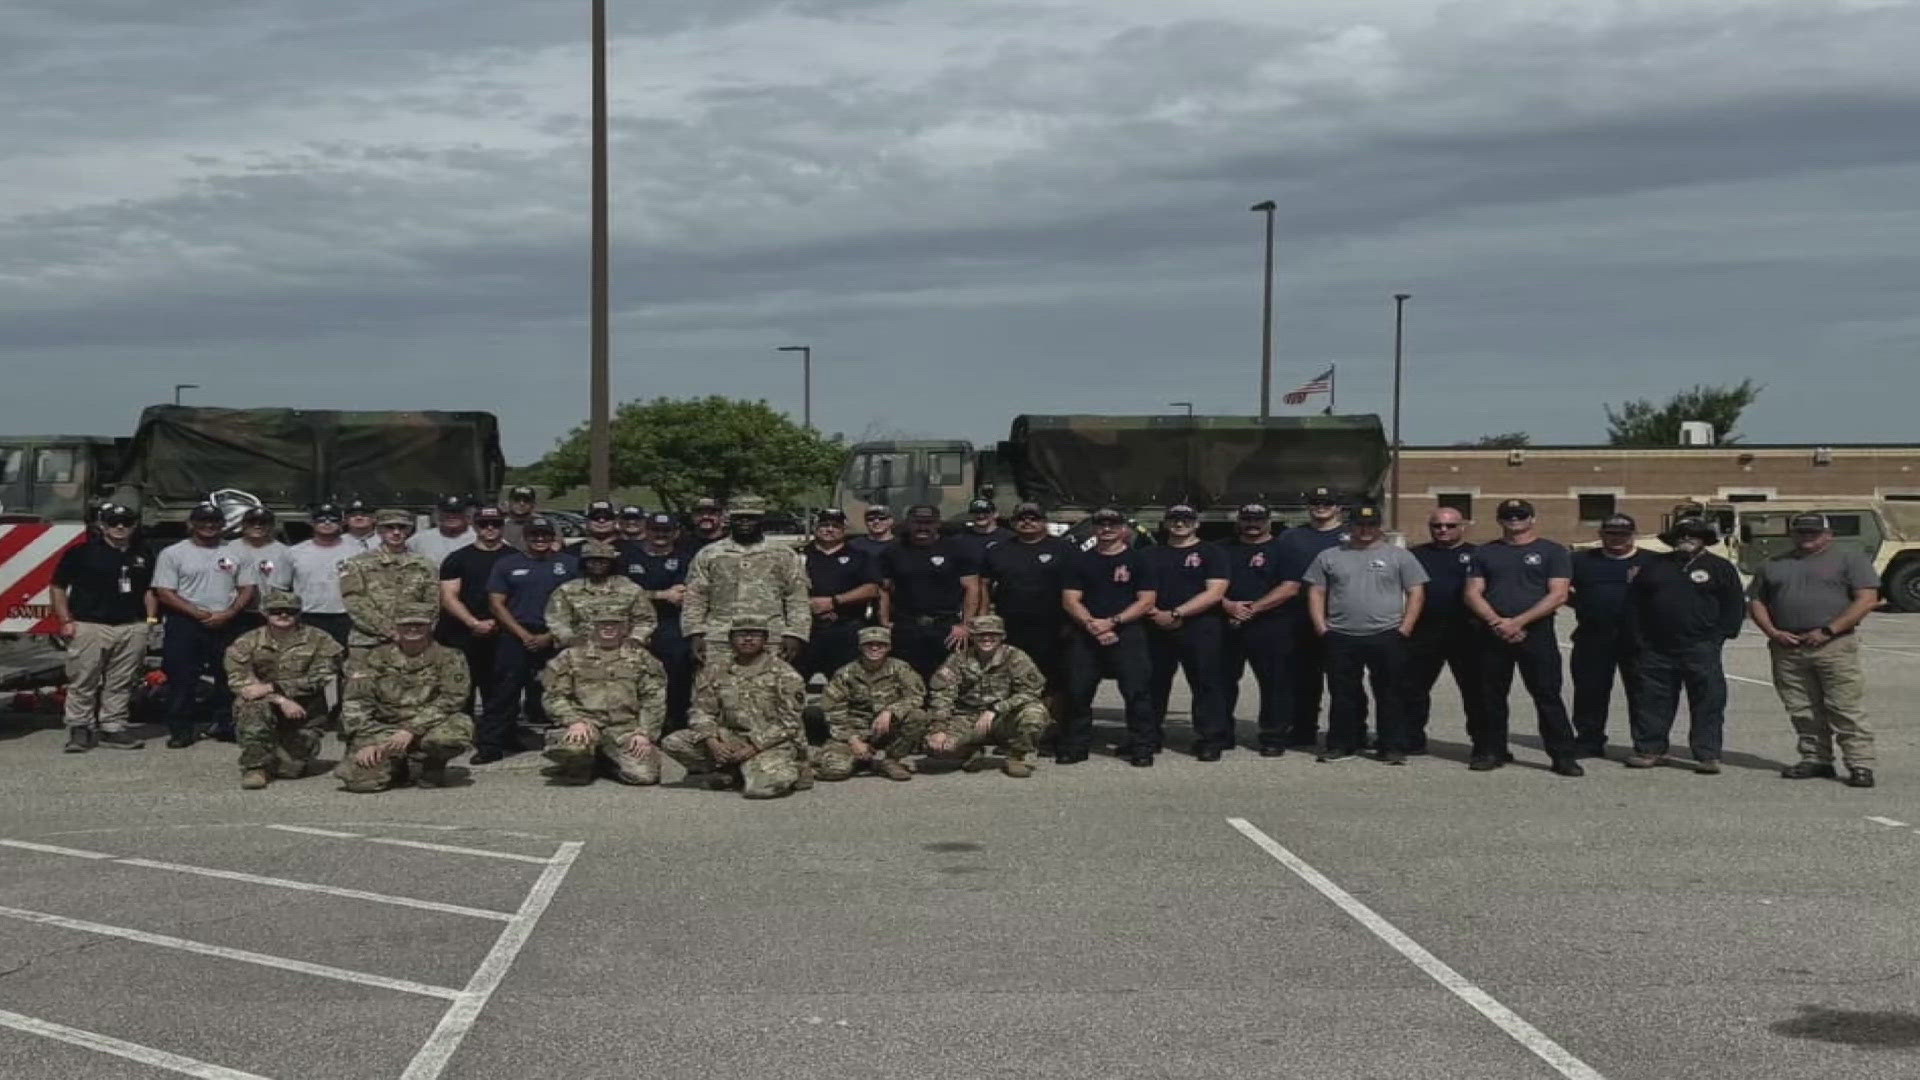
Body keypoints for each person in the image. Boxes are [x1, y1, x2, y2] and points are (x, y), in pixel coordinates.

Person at [1747, 513, 1881, 787]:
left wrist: (1829, 630)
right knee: (1802, 708)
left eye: (1814, 532)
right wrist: (1773, 632)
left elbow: (1867, 599)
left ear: (1828, 534)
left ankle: (1860, 764)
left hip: (1834, 645)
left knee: (1845, 707)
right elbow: (1757, 600)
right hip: (1788, 647)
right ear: (1792, 534)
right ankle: (1816, 758)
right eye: (1801, 532)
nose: (1807, 537)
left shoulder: (1850, 559)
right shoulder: (1773, 564)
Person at [1463, 498, 1582, 777]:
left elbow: (1559, 594)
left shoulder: (1552, 551)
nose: (1514, 520)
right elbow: (1472, 592)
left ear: (1532, 518)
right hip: (1493, 631)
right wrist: (1497, 622)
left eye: (1520, 515)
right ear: (1499, 519)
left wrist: (1518, 622)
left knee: (1547, 695)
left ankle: (1563, 756)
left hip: (1536, 631)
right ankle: (1493, 750)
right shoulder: (1485, 552)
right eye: (1508, 515)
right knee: (1490, 695)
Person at [1304, 504, 1427, 764]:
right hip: (1341, 634)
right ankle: (1341, 744)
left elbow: (1416, 592)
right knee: (1342, 693)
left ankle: (1391, 746)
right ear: (1350, 526)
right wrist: (1321, 627)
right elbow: (1316, 592)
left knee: (1390, 693)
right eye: (1360, 524)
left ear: (1379, 526)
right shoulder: (1330, 555)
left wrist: (1405, 627)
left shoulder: (1399, 556)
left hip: (1387, 633)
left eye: (1371, 525)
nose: (1365, 530)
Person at [1626, 518, 1744, 773]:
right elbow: (1635, 605)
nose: (1686, 538)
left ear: (1704, 538)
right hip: (1656, 649)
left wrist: (1720, 637)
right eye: (1681, 535)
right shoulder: (1654, 566)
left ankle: (1707, 754)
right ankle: (1650, 749)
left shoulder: (1720, 567)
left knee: (1708, 701)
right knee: (1651, 700)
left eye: (1693, 534)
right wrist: (1640, 639)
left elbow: (1734, 605)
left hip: (1701, 647)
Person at [660, 618, 809, 798]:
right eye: (741, 634)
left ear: (765, 639)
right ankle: (735, 772)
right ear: (731, 639)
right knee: (674, 742)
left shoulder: (785, 674)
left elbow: (790, 723)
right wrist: (712, 741)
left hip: (770, 743)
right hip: (730, 738)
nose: (748, 639)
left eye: (754, 634)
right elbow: (701, 711)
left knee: (760, 789)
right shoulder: (714, 670)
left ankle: (787, 770)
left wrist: (753, 747)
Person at [333, 602, 473, 793]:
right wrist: (368, 742)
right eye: (406, 624)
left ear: (431, 626)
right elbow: (356, 702)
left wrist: (411, 729)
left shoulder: (450, 656)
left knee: (451, 735)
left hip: (430, 726)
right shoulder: (374, 658)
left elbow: (453, 698)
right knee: (361, 783)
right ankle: (396, 766)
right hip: (384, 728)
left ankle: (432, 764)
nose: (413, 628)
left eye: (419, 624)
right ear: (395, 627)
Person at [152, 502, 258, 748]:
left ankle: (226, 724)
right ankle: (181, 729)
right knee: (182, 677)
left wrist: (230, 612)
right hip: (185, 622)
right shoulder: (173, 553)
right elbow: (164, 592)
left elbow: (247, 588)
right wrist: (198, 613)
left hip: (227, 621)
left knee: (228, 676)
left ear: (222, 525)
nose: (209, 526)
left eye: (214, 521)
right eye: (202, 521)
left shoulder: (237, 552)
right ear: (191, 524)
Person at [49, 502, 154, 752]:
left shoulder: (143, 554)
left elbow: (150, 590)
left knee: (121, 681)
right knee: (83, 679)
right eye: (112, 522)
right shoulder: (81, 552)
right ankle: (79, 728)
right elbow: (58, 587)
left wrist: (149, 621)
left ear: (134, 525)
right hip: (89, 625)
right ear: (101, 525)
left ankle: (113, 727)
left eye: (126, 522)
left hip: (131, 625)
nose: (119, 527)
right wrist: (65, 621)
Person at [1060, 507, 1158, 765]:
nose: (1107, 529)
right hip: (1085, 633)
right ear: (1094, 528)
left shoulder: (1139, 560)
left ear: (1124, 529)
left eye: (1113, 524)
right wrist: (1093, 625)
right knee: (1078, 692)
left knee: (1137, 693)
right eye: (1101, 524)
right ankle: (1076, 746)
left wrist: (1112, 622)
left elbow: (1146, 600)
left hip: (1127, 633)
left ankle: (1141, 748)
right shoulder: (1079, 560)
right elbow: (1070, 600)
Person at [478, 516, 578, 763]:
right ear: (525, 537)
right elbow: (496, 603)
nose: (540, 539)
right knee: (505, 691)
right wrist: (523, 635)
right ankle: (492, 745)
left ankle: (570, 745)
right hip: (516, 634)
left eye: (545, 535)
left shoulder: (570, 565)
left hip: (555, 634)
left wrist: (549, 636)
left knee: (563, 689)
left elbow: (578, 603)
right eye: (535, 535)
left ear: (553, 537)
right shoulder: (507, 563)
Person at [224, 589, 343, 789]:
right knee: (252, 706)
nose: (283, 615)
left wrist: (273, 686)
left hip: (304, 712)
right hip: (265, 705)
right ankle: (255, 768)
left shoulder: (320, 639)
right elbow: (240, 682)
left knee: (290, 770)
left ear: (299, 613)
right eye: (276, 611)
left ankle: (278, 752)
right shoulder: (247, 642)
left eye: (290, 611)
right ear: (264, 612)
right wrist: (280, 699)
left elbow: (323, 675)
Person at [541, 603, 670, 786]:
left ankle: (607, 760)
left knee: (644, 777)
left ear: (624, 628)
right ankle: (583, 761)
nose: (608, 628)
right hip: (586, 725)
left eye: (615, 624)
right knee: (574, 756)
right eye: (603, 624)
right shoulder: (570, 656)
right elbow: (553, 695)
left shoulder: (642, 659)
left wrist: (644, 734)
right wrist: (573, 721)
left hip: (624, 728)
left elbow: (654, 700)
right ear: (593, 627)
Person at [1143, 504, 1231, 760]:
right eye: (1174, 519)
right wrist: (1156, 614)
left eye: (1185, 519)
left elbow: (1215, 592)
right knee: (1152, 685)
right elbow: (1139, 591)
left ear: (1196, 524)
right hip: (1155, 624)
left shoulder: (1212, 552)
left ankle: (1210, 739)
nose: (1179, 524)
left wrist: (1177, 613)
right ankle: (1148, 737)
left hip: (1201, 626)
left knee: (1206, 684)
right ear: (1165, 523)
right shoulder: (1149, 554)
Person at [682, 494, 810, 664]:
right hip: (720, 638)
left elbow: (797, 596)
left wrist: (795, 634)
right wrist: (695, 632)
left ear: (762, 520)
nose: (744, 522)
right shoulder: (709, 554)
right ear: (729, 520)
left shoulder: (783, 554)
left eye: (751, 518)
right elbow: (696, 596)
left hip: (770, 638)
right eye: (739, 518)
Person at [1220, 503, 1305, 756]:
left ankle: (1273, 737)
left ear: (1268, 521)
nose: (1252, 524)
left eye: (1258, 519)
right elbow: (1209, 584)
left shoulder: (1284, 549)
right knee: (1220, 682)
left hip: (1271, 624)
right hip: (1228, 622)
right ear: (1238, 521)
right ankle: (1220, 733)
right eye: (1246, 519)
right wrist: (1228, 606)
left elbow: (1290, 587)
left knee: (1275, 684)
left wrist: (1252, 609)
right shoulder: (1222, 549)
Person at [1567, 514, 1655, 758]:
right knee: (1589, 691)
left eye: (1623, 534)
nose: (1617, 539)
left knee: (1643, 694)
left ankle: (1646, 743)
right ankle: (1589, 740)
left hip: (1640, 640)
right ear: (1601, 534)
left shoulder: (1653, 561)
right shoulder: (1580, 560)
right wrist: (1584, 606)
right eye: (1611, 533)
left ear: (1633, 535)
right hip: (1592, 637)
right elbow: (1561, 590)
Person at [1404, 507, 1488, 755]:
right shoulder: (1415, 555)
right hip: (1424, 631)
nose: (1443, 530)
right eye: (1437, 525)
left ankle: (1485, 745)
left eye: (1450, 526)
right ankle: (1410, 739)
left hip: (1468, 632)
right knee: (1412, 689)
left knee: (1477, 691)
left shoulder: (1478, 554)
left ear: (1462, 526)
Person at [980, 502, 1075, 720]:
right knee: (1012, 676)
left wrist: (1072, 623)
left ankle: (1053, 726)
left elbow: (1077, 588)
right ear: (1013, 522)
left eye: (1034, 518)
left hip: (1053, 625)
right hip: (1011, 625)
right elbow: (984, 585)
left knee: (1054, 678)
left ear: (1044, 522)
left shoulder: (1064, 549)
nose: (1028, 522)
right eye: (1022, 518)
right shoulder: (998, 550)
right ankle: (1013, 724)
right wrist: (985, 619)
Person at [923, 614, 1046, 777]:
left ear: (1002, 636)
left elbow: (1032, 691)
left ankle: (1017, 756)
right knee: (934, 746)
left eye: (993, 634)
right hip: (966, 716)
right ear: (973, 636)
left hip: (1003, 717)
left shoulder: (1016, 657)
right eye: (981, 634)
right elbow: (942, 695)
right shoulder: (958, 659)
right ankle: (969, 752)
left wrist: (996, 709)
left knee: (1034, 714)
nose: (987, 638)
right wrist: (939, 728)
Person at [1274, 486, 1350, 747]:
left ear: (1338, 507)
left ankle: (1350, 732)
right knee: (1302, 679)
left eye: (1327, 502)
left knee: (1343, 680)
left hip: (1341, 617)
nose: (1321, 507)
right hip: (1298, 616)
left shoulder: (1351, 536)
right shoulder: (1290, 537)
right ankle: (1303, 730)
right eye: (1316, 502)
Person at [879, 505, 982, 678]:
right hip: (906, 625)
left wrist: (966, 624)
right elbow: (883, 589)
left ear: (937, 524)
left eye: (928, 523)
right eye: (917, 522)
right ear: (908, 524)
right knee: (906, 677)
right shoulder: (893, 551)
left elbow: (972, 587)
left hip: (946, 626)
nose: (922, 527)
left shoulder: (957, 549)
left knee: (947, 677)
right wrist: (884, 621)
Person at [814, 626, 926, 782]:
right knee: (834, 770)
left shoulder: (901, 669)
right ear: (860, 647)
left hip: (886, 729)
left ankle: (891, 760)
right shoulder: (845, 674)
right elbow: (832, 712)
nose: (875, 648)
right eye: (869, 644)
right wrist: (853, 740)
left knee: (918, 716)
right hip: (855, 729)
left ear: (889, 647)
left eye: (881, 644)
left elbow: (916, 696)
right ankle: (863, 760)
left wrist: (891, 711)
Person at [795, 508, 880, 699]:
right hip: (807, 631)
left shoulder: (860, 556)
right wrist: (809, 604)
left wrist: (834, 601)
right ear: (816, 528)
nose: (829, 530)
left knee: (847, 690)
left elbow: (872, 589)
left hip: (845, 630)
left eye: (835, 526)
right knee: (794, 688)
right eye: (825, 525)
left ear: (844, 529)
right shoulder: (799, 556)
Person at [436, 506, 515, 712]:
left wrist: (499, 623)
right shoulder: (457, 558)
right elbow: (448, 596)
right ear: (474, 525)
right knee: (461, 690)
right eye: (483, 524)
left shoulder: (515, 558)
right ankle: (462, 734)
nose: (490, 528)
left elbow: (519, 597)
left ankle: (498, 737)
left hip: (502, 633)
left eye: (496, 523)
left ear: (502, 526)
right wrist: (474, 623)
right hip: (462, 633)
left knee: (499, 690)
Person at [338, 509, 440, 664]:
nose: (396, 532)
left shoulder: (425, 565)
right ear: (379, 530)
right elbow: (355, 602)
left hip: (413, 641)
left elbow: (432, 603)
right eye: (389, 528)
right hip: (369, 642)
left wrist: (413, 632)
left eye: (402, 528)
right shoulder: (356, 564)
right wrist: (390, 631)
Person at [623, 511, 695, 731]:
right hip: (633, 625)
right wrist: (660, 595)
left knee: (676, 675)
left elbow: (682, 595)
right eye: (655, 530)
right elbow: (622, 594)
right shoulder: (628, 558)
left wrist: (646, 594)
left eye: (666, 531)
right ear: (646, 530)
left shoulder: (685, 559)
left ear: (675, 533)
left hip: (671, 625)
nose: (660, 535)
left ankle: (675, 724)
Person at [545, 539, 654, 649]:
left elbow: (645, 619)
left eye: (603, 561)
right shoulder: (567, 590)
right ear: (584, 563)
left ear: (611, 564)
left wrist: (635, 639)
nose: (598, 565)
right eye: (592, 561)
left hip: (624, 648)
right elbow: (557, 620)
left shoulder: (630, 588)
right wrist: (570, 640)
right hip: (580, 649)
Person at [284, 502, 356, 646]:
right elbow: (281, 587)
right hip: (307, 616)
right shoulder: (294, 552)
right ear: (311, 523)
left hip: (346, 617)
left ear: (342, 522)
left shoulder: (357, 551)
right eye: (321, 519)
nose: (327, 523)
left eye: (333, 519)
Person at [231, 506, 292, 634]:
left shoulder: (284, 552)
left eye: (263, 523)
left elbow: (281, 588)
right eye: (252, 522)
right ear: (243, 524)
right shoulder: (229, 548)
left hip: (267, 614)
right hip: (233, 613)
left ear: (272, 526)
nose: (257, 526)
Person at [408, 495, 474, 567]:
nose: (451, 515)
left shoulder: (478, 536)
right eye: (446, 511)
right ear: (438, 514)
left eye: (456, 512)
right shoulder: (419, 539)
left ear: (466, 514)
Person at [949, 497, 1013, 564]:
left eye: (985, 512)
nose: (980, 515)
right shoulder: (959, 540)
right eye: (976, 512)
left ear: (995, 514)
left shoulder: (1009, 538)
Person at [501, 485, 540, 551]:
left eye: (526, 500)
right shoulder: (498, 522)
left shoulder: (543, 523)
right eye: (517, 500)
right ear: (509, 502)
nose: (522, 503)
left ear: (533, 504)